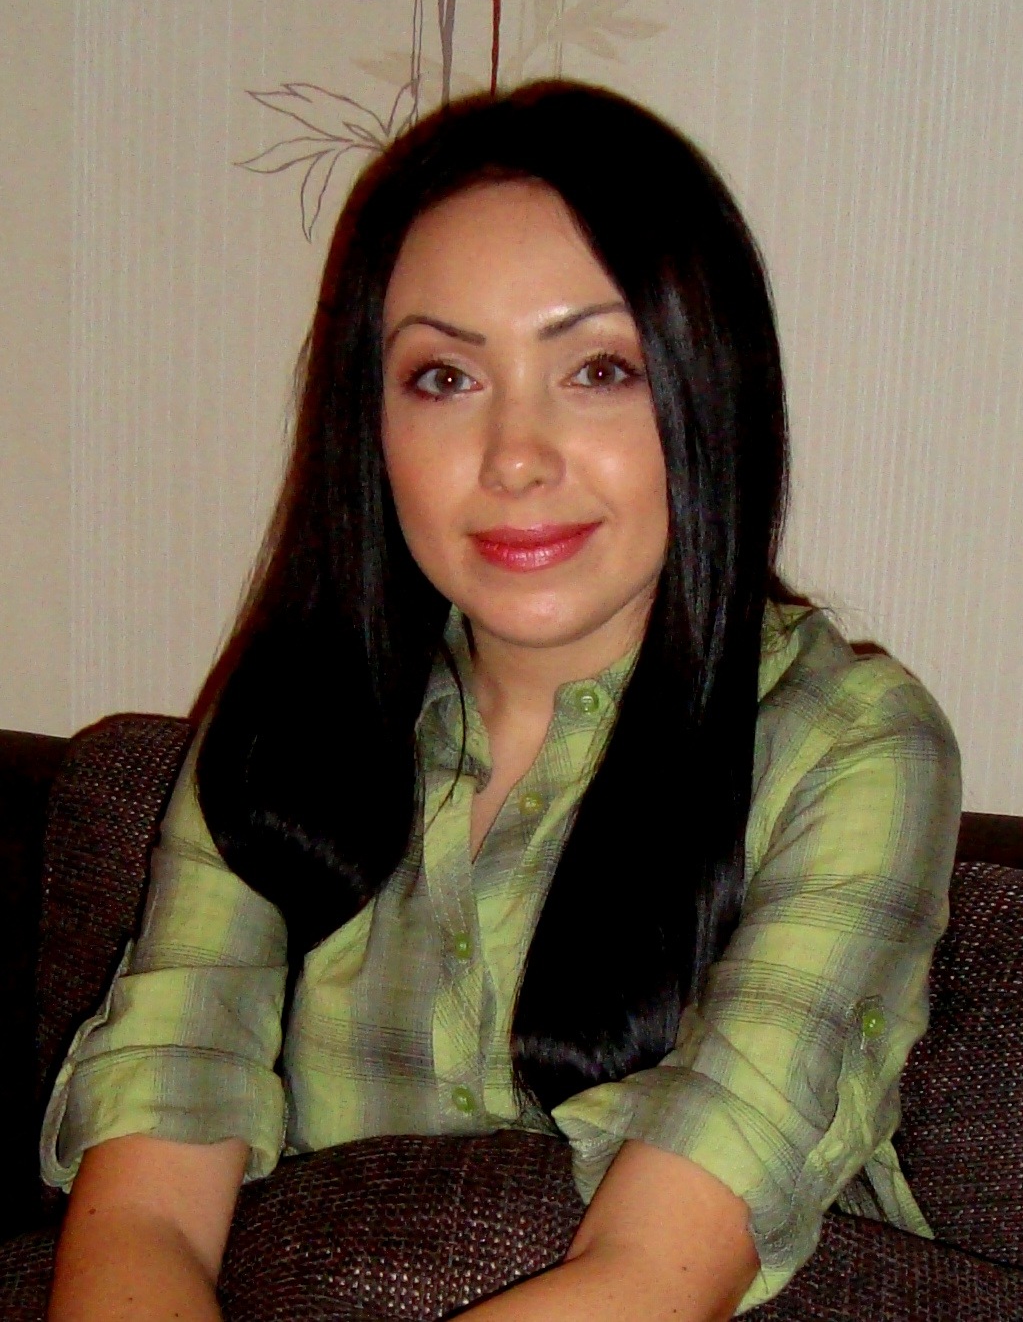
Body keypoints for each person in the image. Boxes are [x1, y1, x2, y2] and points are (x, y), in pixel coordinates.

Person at [42, 82, 960, 1321]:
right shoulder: (282, 734)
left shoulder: (848, 745)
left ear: (709, 393)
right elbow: (146, 1205)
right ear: (369, 425)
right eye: (443, 377)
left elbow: (655, 1276)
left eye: (600, 368)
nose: (517, 455)